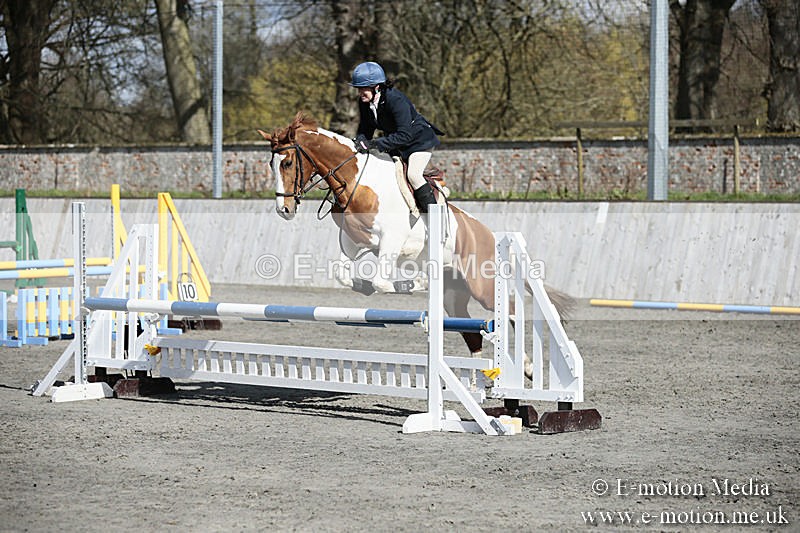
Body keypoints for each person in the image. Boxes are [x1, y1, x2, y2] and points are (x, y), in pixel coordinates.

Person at [350, 61, 443, 214]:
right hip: (396, 143)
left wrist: (373, 144)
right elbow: (365, 129)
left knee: (413, 175)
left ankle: (435, 219)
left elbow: (404, 135)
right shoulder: (365, 103)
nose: (360, 93)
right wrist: (360, 142)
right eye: (358, 89)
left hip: (418, 142)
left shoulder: (395, 100)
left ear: (376, 87)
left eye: (363, 89)